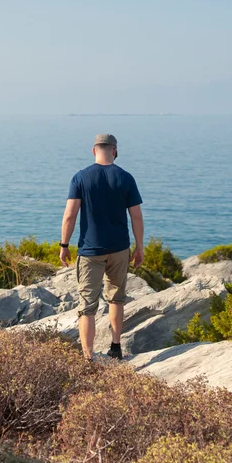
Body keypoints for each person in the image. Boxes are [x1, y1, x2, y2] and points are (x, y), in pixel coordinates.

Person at [60, 133, 144, 360]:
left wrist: (64, 245)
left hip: (90, 250)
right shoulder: (126, 178)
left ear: (94, 150)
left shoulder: (80, 177)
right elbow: (136, 217)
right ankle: (116, 347)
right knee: (117, 299)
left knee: (87, 305)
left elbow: (70, 215)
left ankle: (88, 357)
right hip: (119, 248)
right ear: (115, 150)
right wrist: (139, 248)